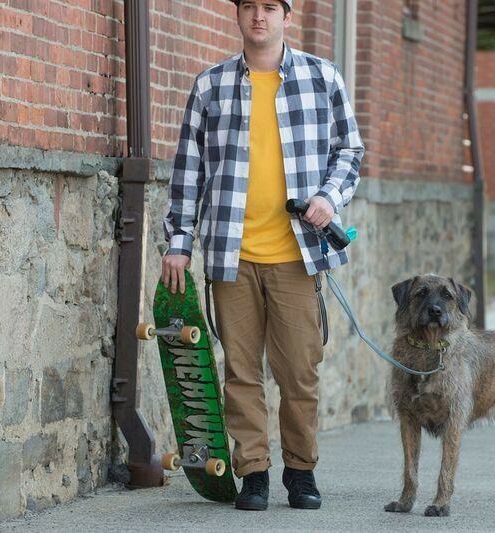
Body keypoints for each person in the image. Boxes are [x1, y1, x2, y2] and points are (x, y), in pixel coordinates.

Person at [162, 0, 364, 511]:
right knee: (241, 372)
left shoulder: (323, 78)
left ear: (287, 17)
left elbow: (349, 150)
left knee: (300, 372)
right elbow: (188, 170)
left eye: (270, 7)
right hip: (232, 255)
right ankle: (253, 472)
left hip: (297, 255)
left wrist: (329, 198)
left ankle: (301, 471)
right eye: (250, 6)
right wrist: (179, 243)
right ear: (238, 15)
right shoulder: (210, 86)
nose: (259, 16)